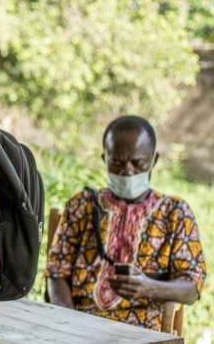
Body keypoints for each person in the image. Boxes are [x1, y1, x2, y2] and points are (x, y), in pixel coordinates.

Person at [45, 115, 207, 331]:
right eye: (117, 162)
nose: (127, 171)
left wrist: (150, 287)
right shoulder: (81, 205)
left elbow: (191, 287)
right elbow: (56, 273)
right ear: (105, 159)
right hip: (80, 324)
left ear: (153, 160)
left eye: (137, 163)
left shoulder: (175, 213)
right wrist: (71, 325)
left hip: (142, 331)